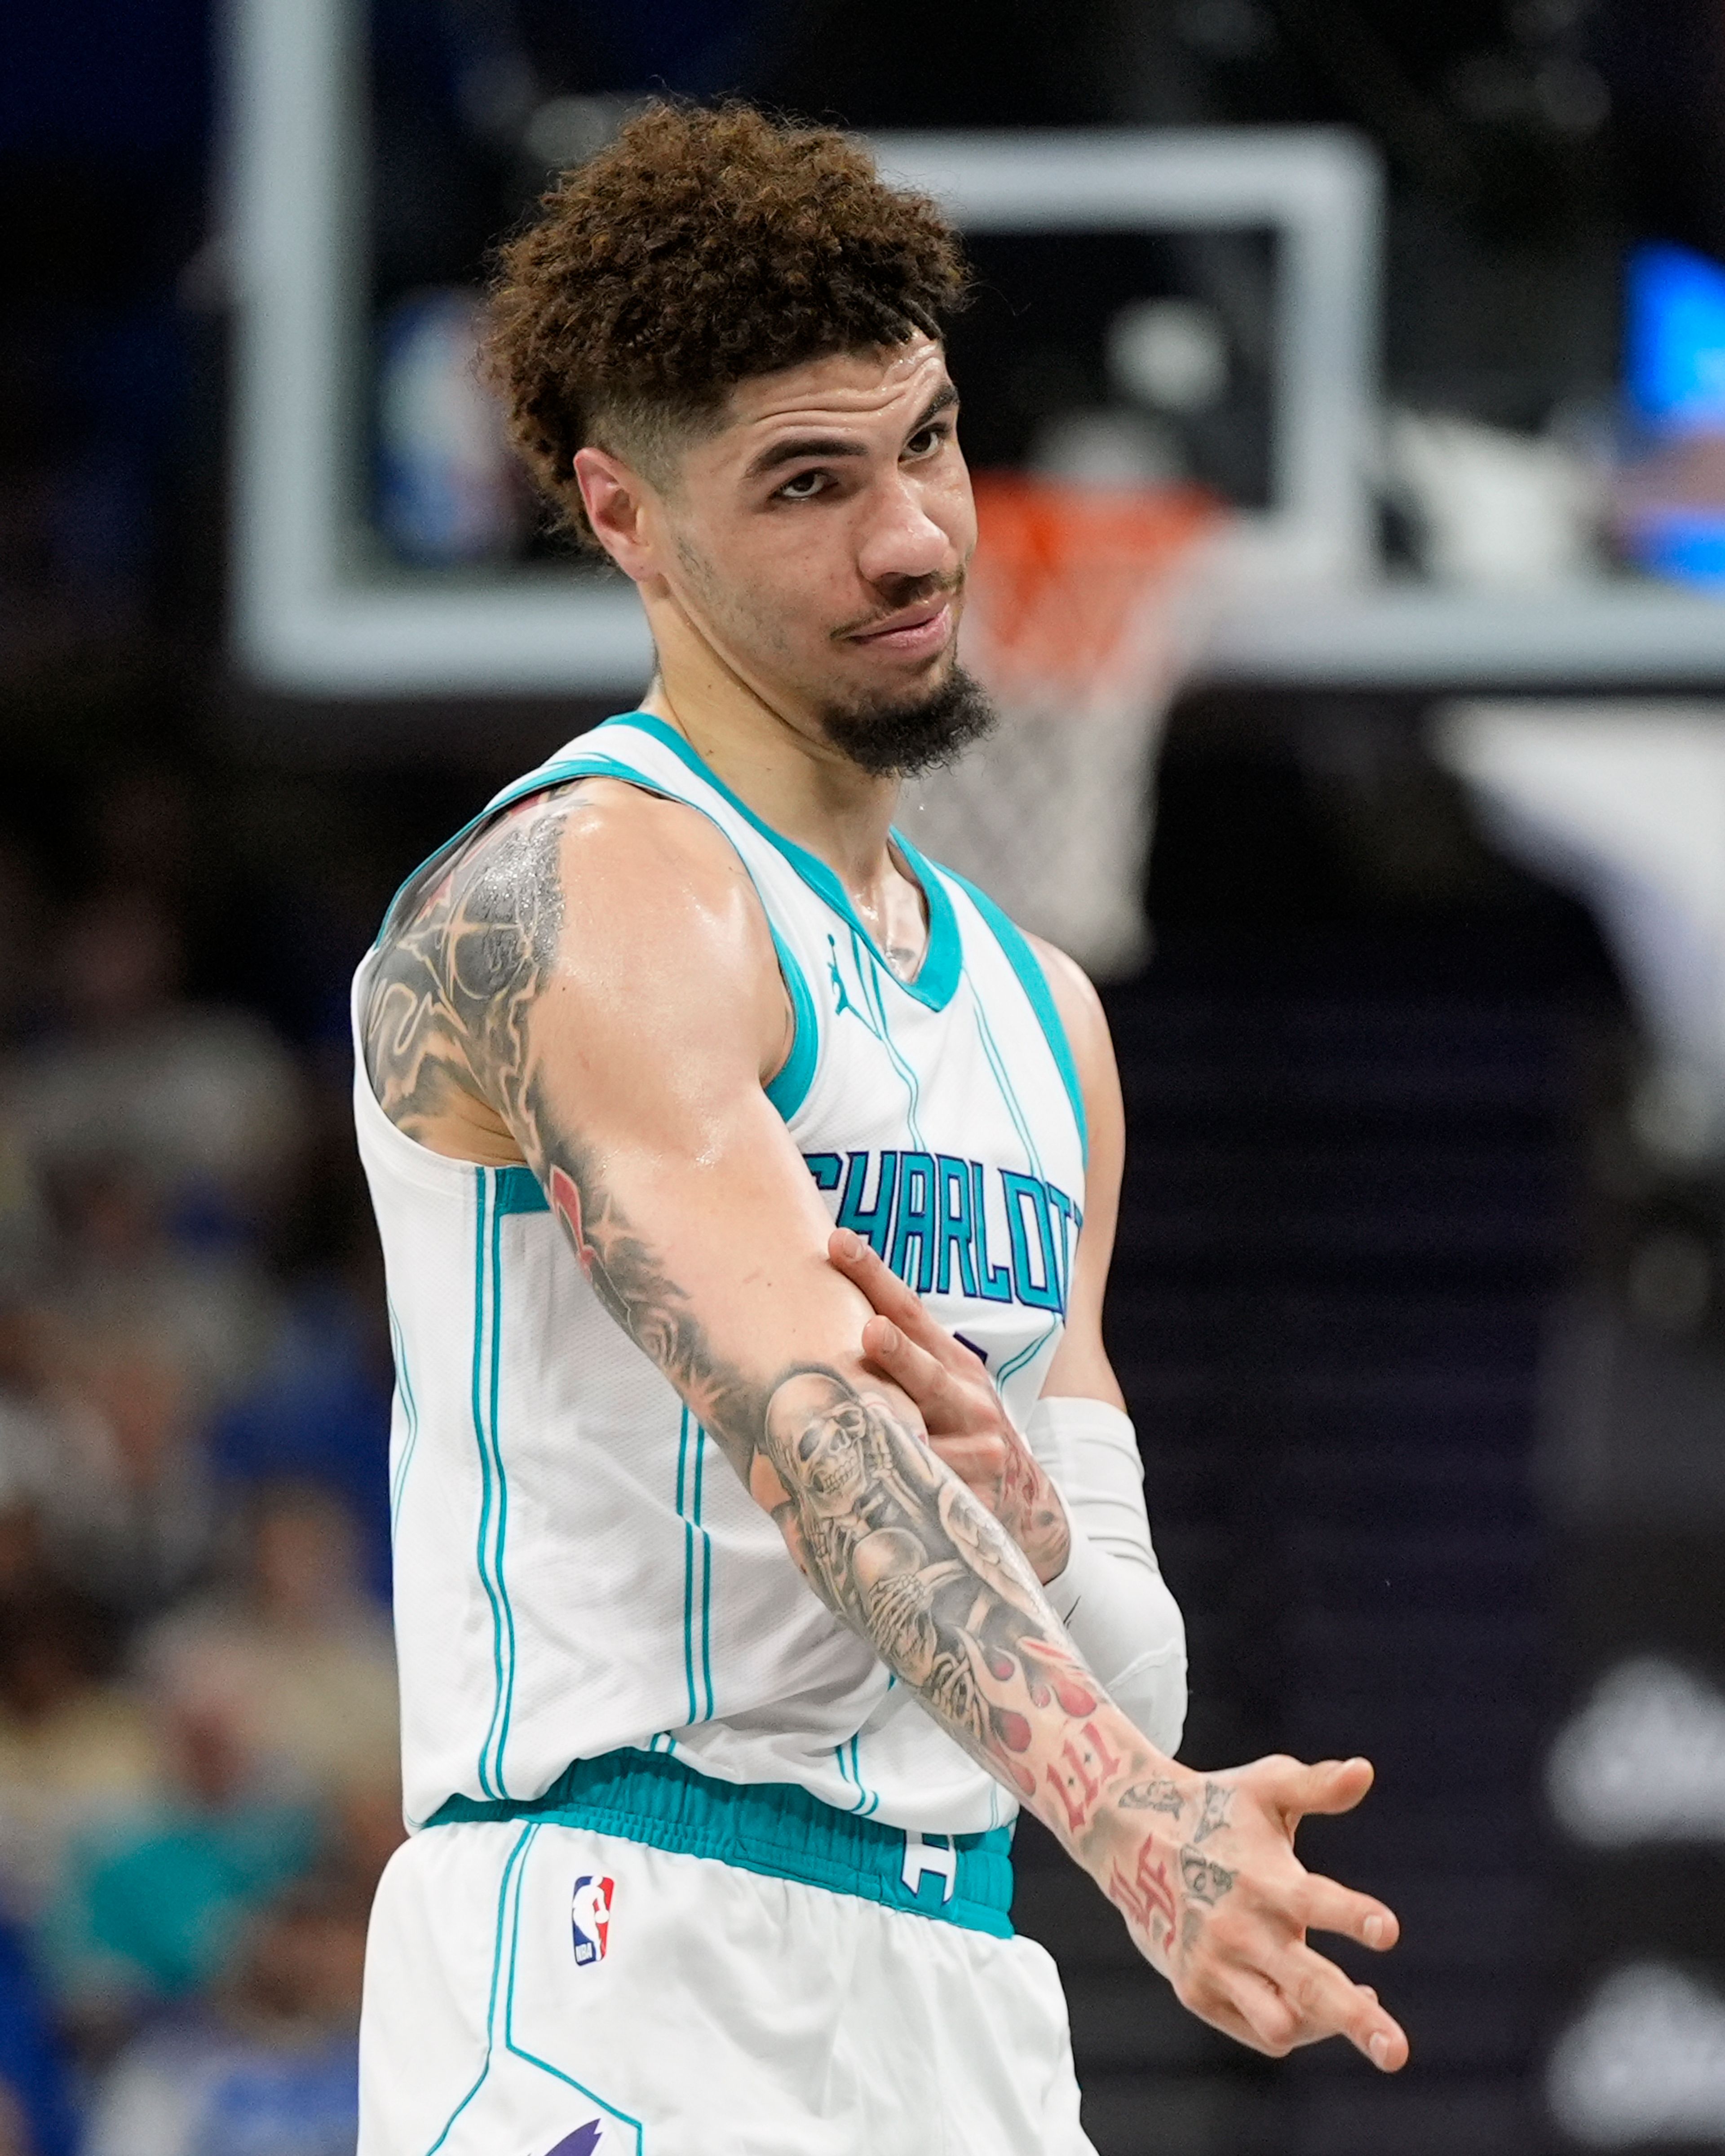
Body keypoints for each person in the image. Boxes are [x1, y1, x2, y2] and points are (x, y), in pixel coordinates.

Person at [353, 101, 1407, 2156]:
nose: (916, 538)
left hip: (966, 1985)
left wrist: (1027, 1541)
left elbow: (1135, 1661)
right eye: (808, 485)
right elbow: (807, 1427)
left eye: (922, 444)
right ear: (627, 518)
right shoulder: (589, 893)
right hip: (625, 1948)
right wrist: (1137, 1827)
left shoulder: (1044, 1017)